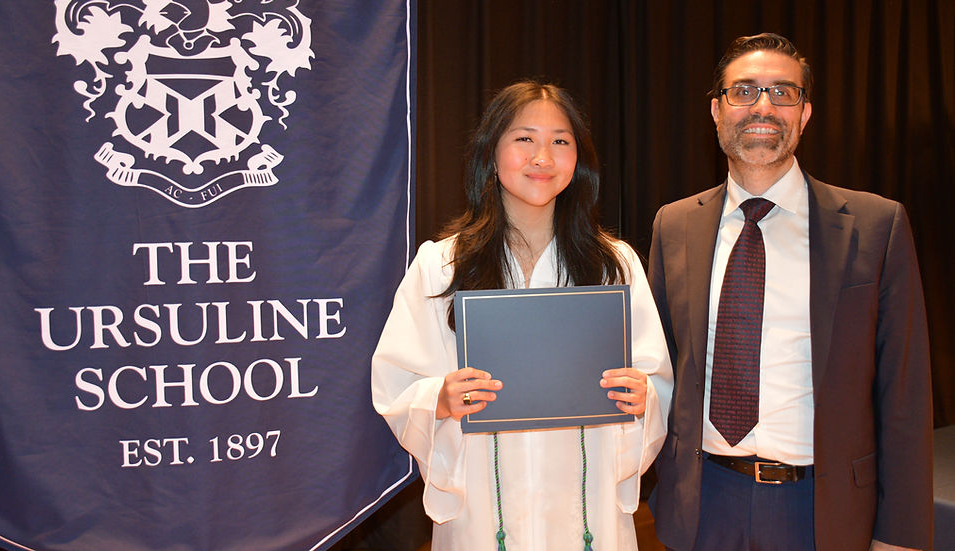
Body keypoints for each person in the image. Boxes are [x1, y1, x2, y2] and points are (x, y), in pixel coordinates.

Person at [647, 33, 933, 551]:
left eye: (783, 93)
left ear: (805, 114)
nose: (763, 106)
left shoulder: (875, 225)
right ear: (716, 110)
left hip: (822, 512)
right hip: (702, 506)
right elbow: (659, 368)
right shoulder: (674, 226)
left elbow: (905, 393)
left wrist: (902, 534)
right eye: (744, 91)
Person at [372, 81, 673, 550]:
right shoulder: (442, 264)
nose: (542, 157)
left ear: (578, 161)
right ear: (492, 154)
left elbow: (656, 379)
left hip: (585, 510)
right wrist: (441, 398)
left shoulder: (614, 264)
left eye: (560, 141)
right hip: (481, 511)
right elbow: (395, 382)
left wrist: (644, 395)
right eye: (524, 139)